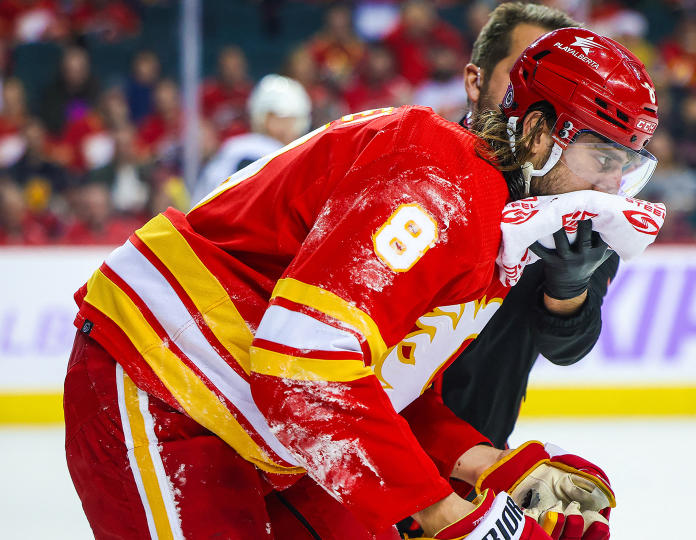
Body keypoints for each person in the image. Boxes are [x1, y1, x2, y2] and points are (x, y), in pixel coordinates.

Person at [63, 27, 658, 539]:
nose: (612, 188)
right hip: (163, 384)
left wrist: (499, 470)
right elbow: (305, 367)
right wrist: (452, 515)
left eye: (628, 167)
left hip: (262, 418)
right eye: (602, 158)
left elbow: (384, 386)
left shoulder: (493, 222)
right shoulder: (437, 185)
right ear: (536, 133)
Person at [442, 2, 621, 449]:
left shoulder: (582, 198)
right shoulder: (423, 168)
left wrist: (569, 287)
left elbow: (567, 349)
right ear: (474, 81)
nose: (536, 97)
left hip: (474, 461)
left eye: (560, 87)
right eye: (521, 75)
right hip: (364, 451)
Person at [192, 74, 312, 204]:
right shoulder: (265, 154)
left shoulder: (233, 148)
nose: (296, 128)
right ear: (271, 119)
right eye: (292, 120)